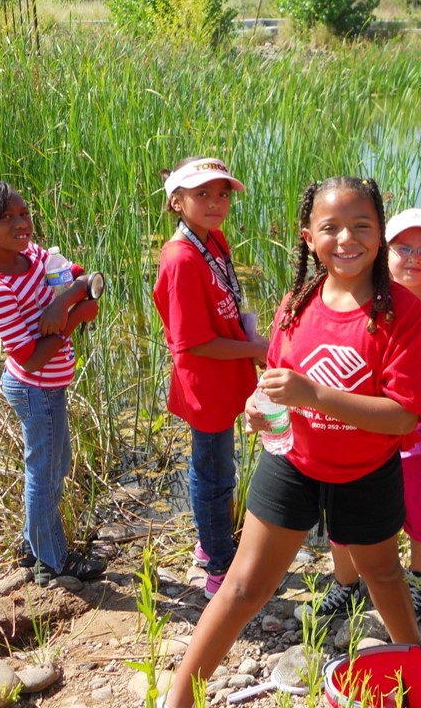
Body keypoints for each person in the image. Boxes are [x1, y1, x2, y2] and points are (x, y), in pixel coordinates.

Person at [161, 176, 421, 708]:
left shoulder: (402, 313)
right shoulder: (297, 302)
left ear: (380, 234)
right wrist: (261, 412)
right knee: (244, 586)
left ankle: (416, 677)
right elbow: (279, 384)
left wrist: (315, 393)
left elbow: (402, 418)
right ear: (308, 236)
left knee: (382, 572)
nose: (346, 239)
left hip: (367, 471)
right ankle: (178, 700)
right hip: (294, 465)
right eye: (329, 227)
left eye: (361, 226)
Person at [295, 207, 421, 623]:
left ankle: (417, 579)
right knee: (346, 510)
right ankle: (346, 583)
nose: (413, 258)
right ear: (384, 251)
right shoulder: (363, 303)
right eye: (402, 248)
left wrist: (418, 360)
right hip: (362, 433)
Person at [0, 180, 108, 585]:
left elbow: (83, 276)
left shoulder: (34, 256)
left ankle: (33, 542)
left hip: (52, 383)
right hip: (33, 387)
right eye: (5, 218)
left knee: (56, 463)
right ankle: (52, 561)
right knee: (44, 471)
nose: (20, 223)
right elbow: (29, 355)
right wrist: (74, 316)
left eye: (23, 213)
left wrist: (66, 298)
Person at [153, 157, 268, 599]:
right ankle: (219, 567)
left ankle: (208, 544)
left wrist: (251, 336)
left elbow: (225, 305)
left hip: (227, 373)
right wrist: (255, 349)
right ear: (176, 202)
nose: (215, 202)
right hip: (205, 382)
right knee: (214, 472)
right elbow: (193, 344)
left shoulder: (213, 240)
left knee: (219, 464)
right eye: (201, 194)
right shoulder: (180, 258)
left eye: (222, 193)